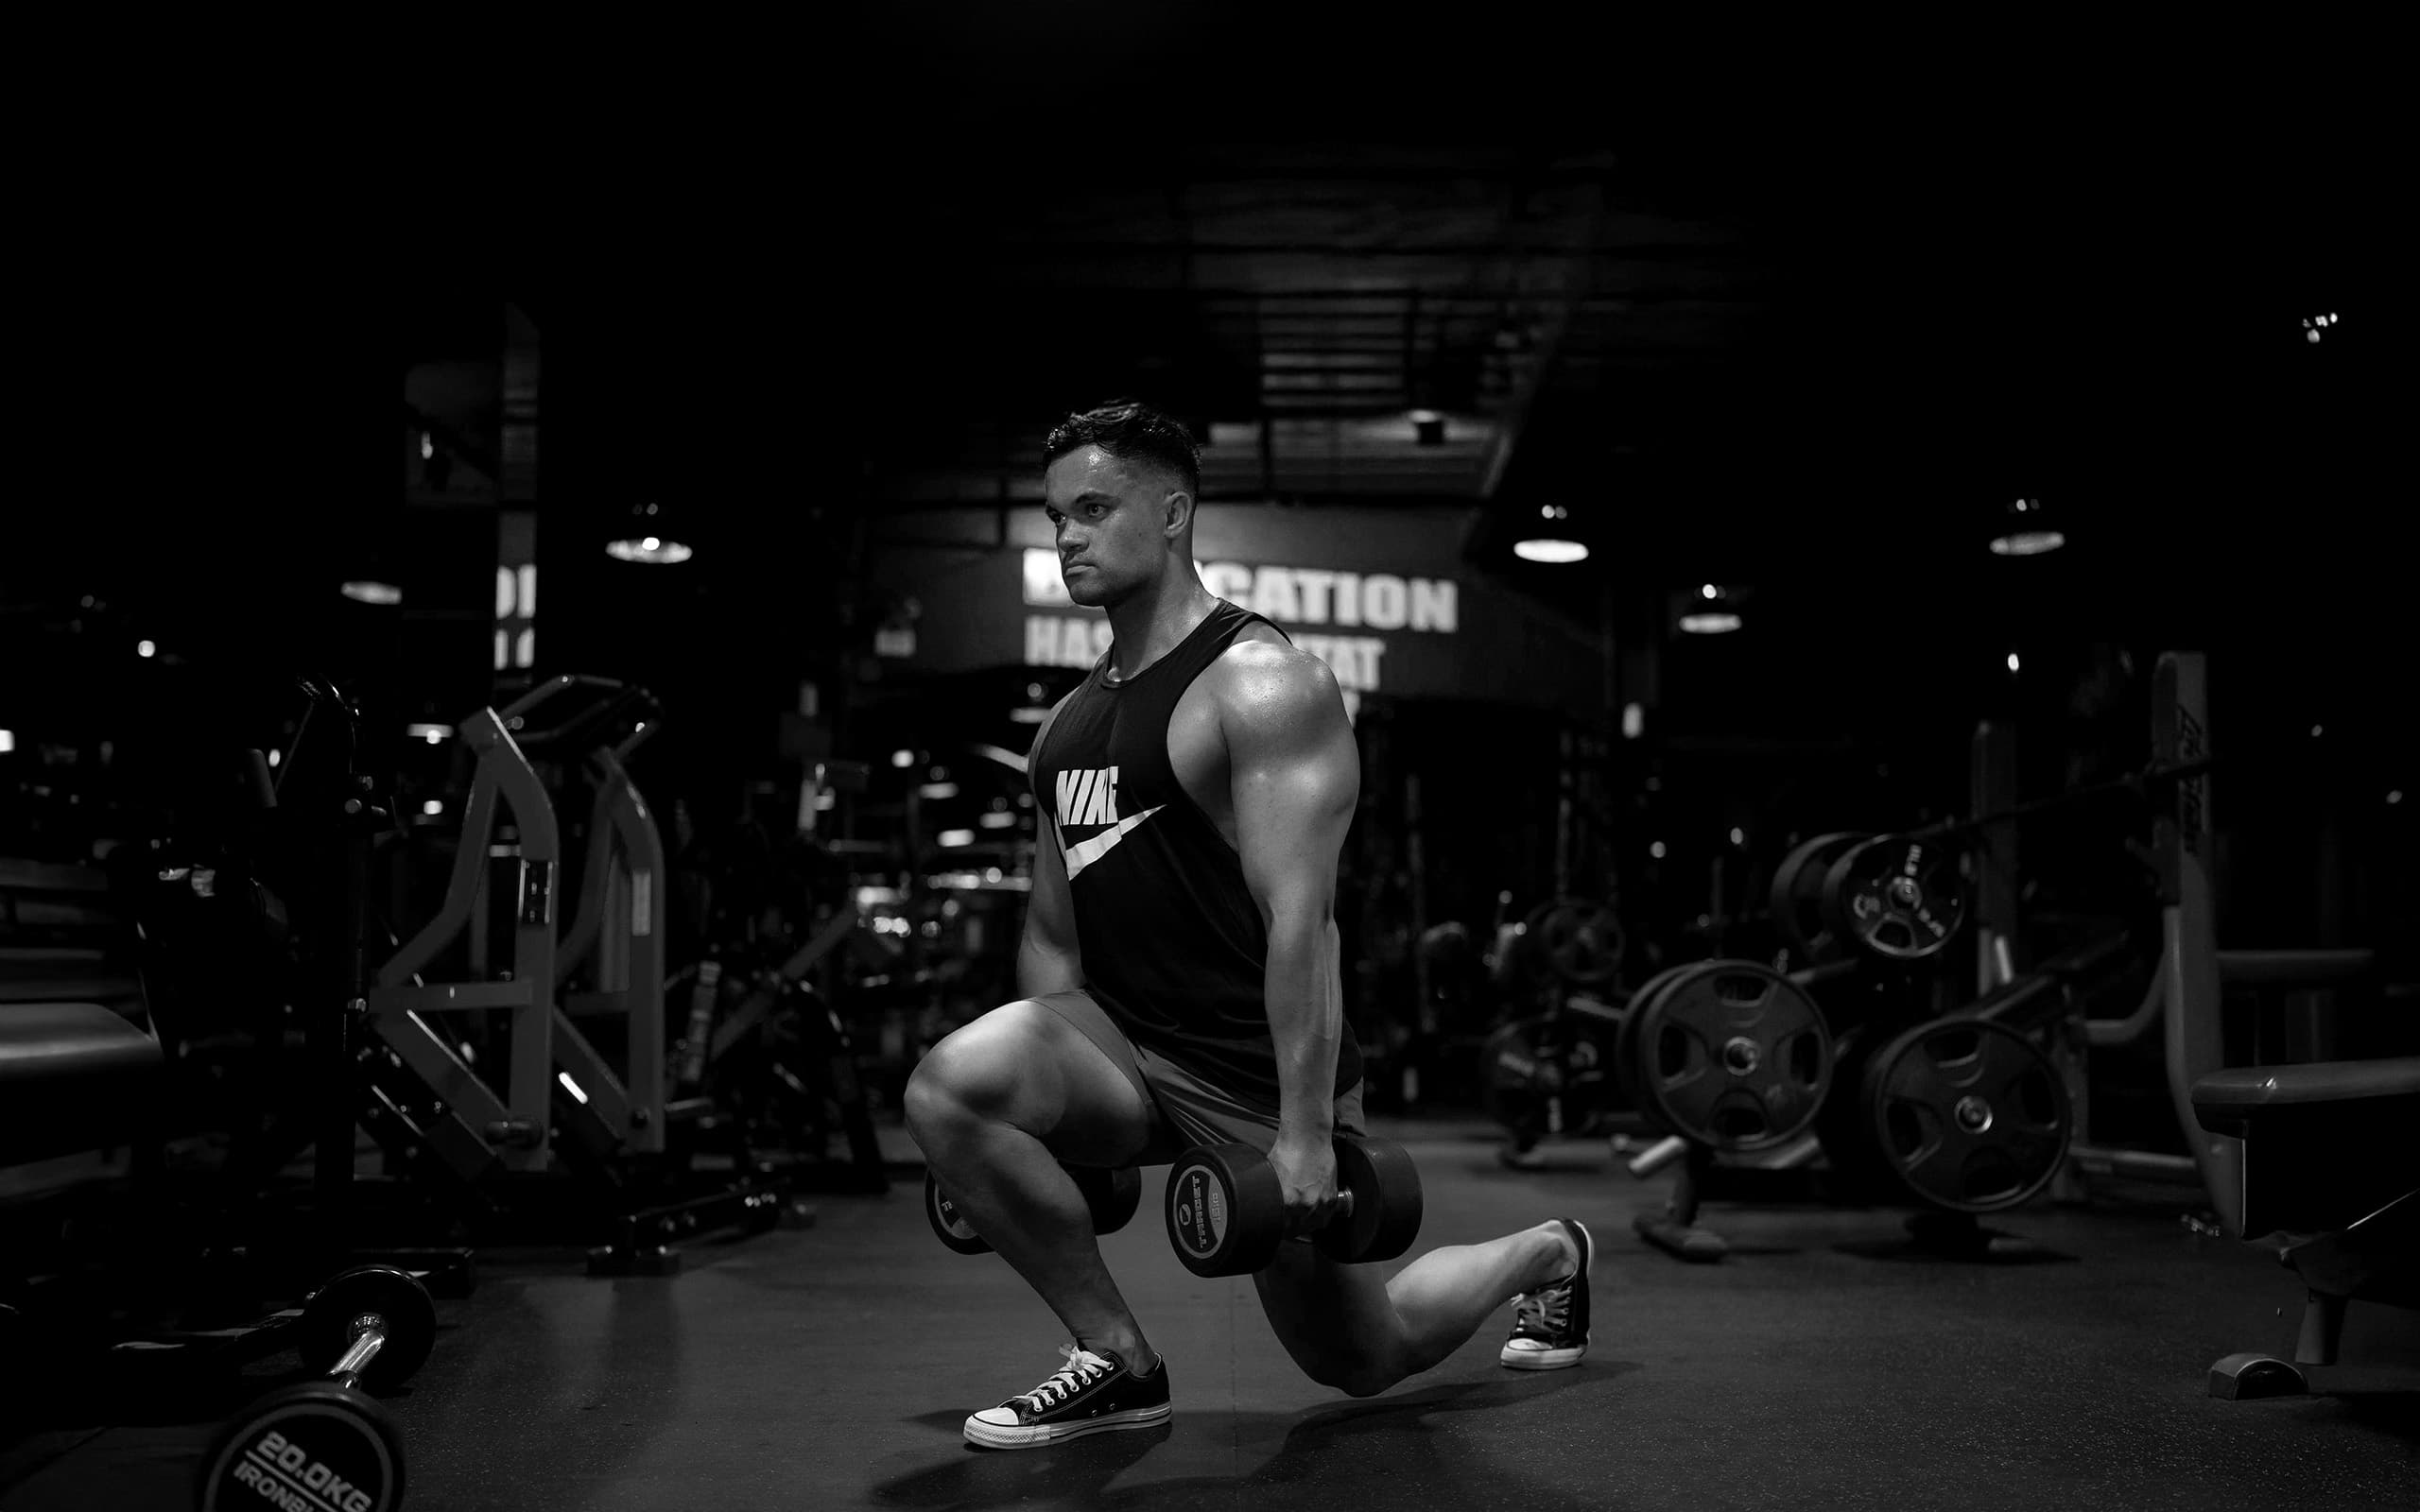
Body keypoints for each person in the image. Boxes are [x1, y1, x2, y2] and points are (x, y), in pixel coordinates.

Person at [905, 399, 1595, 1451]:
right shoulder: (1065, 727)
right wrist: (1051, 1125)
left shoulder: (1262, 684)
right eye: (1055, 516)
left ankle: (1550, 1252)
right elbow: (1052, 937)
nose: (1067, 537)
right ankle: (1118, 1362)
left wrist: (1306, 1133)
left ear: (1173, 512)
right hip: (1126, 1049)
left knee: (1363, 1356)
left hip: (1253, 1071)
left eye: (1094, 509)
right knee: (949, 1088)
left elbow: (1301, 923)